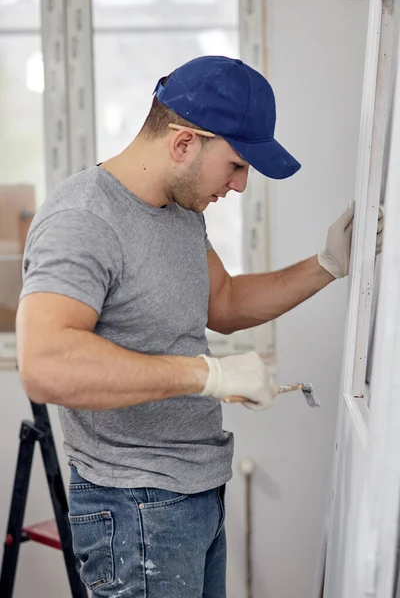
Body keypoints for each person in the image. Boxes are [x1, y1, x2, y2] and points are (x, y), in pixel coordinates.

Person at [16, 56, 383, 598]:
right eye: (236, 165)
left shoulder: (181, 210)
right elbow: (45, 364)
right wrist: (206, 376)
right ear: (184, 142)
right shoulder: (84, 218)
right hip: (135, 509)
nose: (240, 185)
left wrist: (327, 265)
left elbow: (225, 301)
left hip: (193, 494)